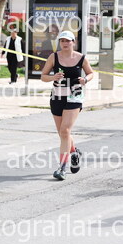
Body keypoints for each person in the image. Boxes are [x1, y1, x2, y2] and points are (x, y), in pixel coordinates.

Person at [41, 30, 94, 181]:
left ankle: (62, 167)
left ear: (73, 42)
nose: (65, 43)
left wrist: (85, 80)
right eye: (62, 41)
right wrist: (53, 77)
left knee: (65, 130)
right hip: (57, 96)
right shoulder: (54, 57)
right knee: (63, 133)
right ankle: (74, 153)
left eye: (68, 40)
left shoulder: (81, 58)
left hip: (74, 97)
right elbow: (43, 76)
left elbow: (90, 73)